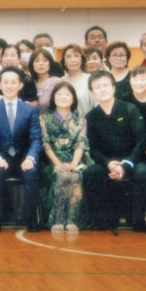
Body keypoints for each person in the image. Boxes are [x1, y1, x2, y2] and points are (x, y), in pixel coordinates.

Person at [83, 71, 146, 231]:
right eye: (98, 87)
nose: (102, 89)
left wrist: (125, 165)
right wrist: (109, 163)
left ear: (113, 88)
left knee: (143, 173)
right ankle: (102, 220)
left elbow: (141, 142)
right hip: (109, 162)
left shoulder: (130, 109)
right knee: (90, 173)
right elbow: (93, 149)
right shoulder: (91, 116)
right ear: (92, 92)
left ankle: (138, 219)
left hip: (132, 160)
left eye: (106, 85)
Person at [0, 67, 42, 232]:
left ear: (20, 85)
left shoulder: (30, 109)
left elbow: (36, 138)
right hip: (2, 156)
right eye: (6, 82)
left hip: (23, 157)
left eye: (13, 82)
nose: (9, 86)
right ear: (0, 85)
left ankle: (31, 218)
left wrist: (30, 158)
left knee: (31, 172)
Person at [39, 81, 91, 233]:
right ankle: (57, 219)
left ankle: (72, 220)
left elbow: (80, 144)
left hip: (75, 159)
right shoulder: (44, 119)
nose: (63, 97)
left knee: (74, 176)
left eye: (67, 94)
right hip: (51, 160)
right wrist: (58, 164)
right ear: (53, 98)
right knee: (62, 175)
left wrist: (74, 164)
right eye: (59, 94)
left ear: (73, 98)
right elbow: (46, 144)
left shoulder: (80, 119)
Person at [60, 44, 96, 117]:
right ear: (64, 61)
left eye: (76, 56)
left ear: (82, 60)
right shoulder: (61, 81)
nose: (72, 60)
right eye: (68, 56)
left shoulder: (91, 80)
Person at [124, 66, 146, 131]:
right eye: (135, 79)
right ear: (130, 81)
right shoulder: (125, 99)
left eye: (142, 79)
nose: (139, 83)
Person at [29, 49, 63, 114]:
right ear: (32, 64)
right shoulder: (29, 84)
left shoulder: (57, 83)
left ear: (50, 63)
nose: (41, 64)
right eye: (36, 61)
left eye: (45, 60)